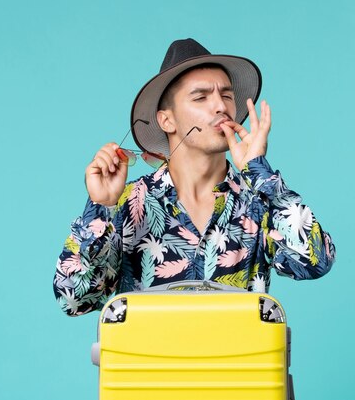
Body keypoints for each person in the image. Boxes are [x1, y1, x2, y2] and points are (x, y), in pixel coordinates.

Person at [53, 38, 336, 316]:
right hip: (148, 361)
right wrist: (101, 206)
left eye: (226, 95)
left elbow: (315, 262)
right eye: (201, 97)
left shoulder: (258, 200)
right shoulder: (130, 204)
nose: (221, 106)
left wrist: (259, 172)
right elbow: (75, 299)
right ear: (167, 120)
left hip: (241, 361)